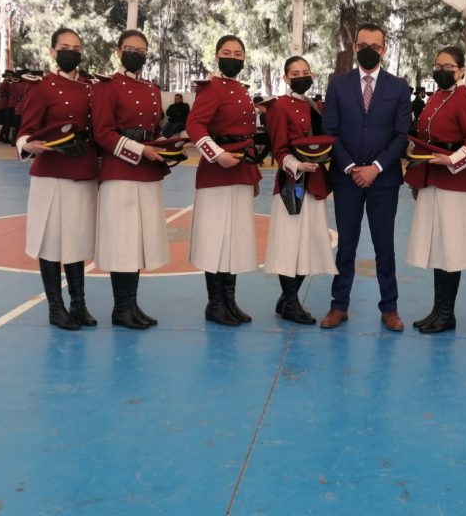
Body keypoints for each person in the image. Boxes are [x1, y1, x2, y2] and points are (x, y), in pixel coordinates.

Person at [320, 22, 412, 332]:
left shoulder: (399, 87)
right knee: (346, 246)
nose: (368, 50)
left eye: (374, 46)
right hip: (346, 179)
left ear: (383, 49)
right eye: (363, 46)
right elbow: (330, 131)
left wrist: (376, 167)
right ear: (354, 48)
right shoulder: (338, 84)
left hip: (383, 180)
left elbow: (401, 135)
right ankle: (339, 305)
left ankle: (390, 308)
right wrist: (350, 167)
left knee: (384, 246)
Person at [15, 28, 99, 330]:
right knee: (51, 240)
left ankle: (78, 304)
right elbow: (25, 130)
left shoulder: (90, 88)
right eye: (64, 47)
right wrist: (28, 145)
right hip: (51, 172)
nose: (70, 52)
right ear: (52, 51)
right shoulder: (42, 87)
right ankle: (55, 307)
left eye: (76, 48)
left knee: (76, 239)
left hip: (82, 170)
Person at [92, 29, 170, 330]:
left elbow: (155, 130)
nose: (135, 54)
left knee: (138, 240)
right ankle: (121, 308)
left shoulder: (152, 89)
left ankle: (132, 305)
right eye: (129, 48)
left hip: (147, 172)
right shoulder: (107, 86)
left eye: (141, 50)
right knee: (122, 240)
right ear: (118, 51)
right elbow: (103, 133)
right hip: (120, 170)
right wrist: (141, 150)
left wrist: (167, 146)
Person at [405, 46, 466, 333]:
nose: (441, 71)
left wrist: (452, 160)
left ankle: (447, 313)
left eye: (448, 67)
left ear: (461, 70)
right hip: (431, 177)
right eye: (438, 66)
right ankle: (438, 310)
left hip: (454, 182)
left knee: (451, 249)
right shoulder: (436, 97)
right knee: (438, 247)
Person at [186, 35, 261, 326]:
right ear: (217, 55)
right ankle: (215, 304)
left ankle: (229, 301)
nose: (233, 57)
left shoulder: (241, 89)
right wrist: (216, 154)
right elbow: (194, 125)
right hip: (218, 172)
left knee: (234, 238)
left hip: (240, 169)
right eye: (227, 52)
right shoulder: (212, 88)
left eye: (238, 53)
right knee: (215, 238)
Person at [263, 56, 337, 325]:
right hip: (292, 184)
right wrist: (298, 165)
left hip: (315, 182)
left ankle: (286, 300)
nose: (301, 76)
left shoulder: (315, 106)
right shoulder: (279, 107)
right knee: (289, 244)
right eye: (295, 73)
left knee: (312, 241)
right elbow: (279, 149)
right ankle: (292, 304)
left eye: (305, 72)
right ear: (286, 78)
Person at [0, 71, 13, 143]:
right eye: (11, 76)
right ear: (7, 76)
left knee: (5, 122)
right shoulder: (7, 84)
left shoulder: (2, 83)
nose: (12, 78)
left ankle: (0, 137)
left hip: (1, 103)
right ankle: (6, 138)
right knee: (7, 122)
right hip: (6, 104)